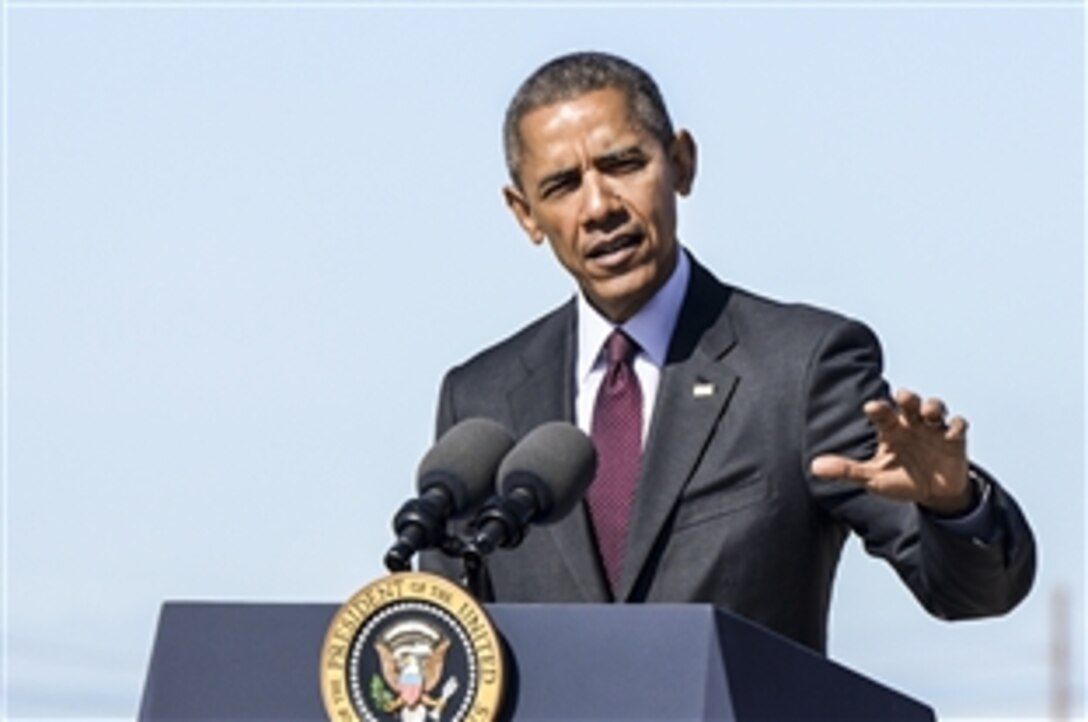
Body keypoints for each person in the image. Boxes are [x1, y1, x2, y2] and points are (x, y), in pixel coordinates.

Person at [419, 51, 1035, 653]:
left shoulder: (798, 369)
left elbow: (972, 593)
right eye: (562, 185)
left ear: (681, 164)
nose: (600, 207)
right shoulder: (481, 400)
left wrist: (951, 505)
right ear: (525, 213)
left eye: (623, 164)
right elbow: (450, 644)